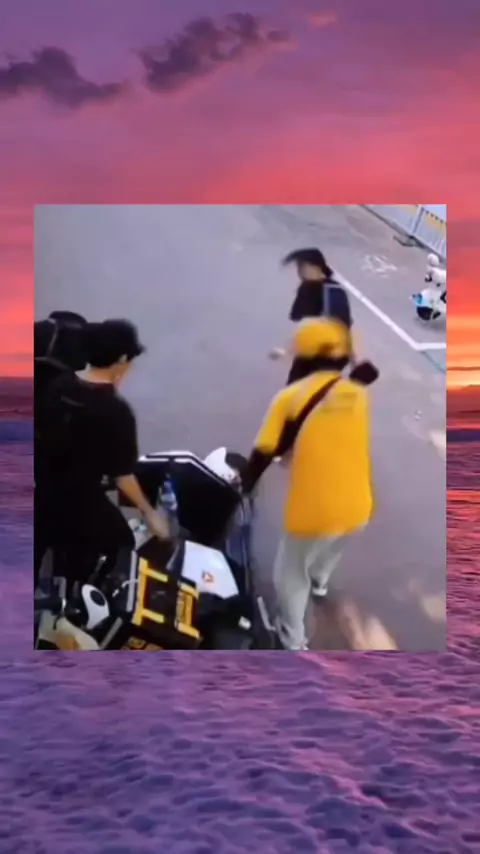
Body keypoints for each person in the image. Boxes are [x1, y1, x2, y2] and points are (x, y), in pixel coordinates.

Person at [242, 317, 376, 650]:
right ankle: (320, 583)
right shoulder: (356, 393)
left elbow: (262, 452)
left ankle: (292, 639)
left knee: (289, 574)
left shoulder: (289, 398)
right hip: (358, 505)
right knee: (332, 545)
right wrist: (353, 350)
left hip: (314, 512)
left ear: (303, 358)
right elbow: (368, 372)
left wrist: (244, 485)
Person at [35, 318, 170, 593]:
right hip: (79, 502)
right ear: (121, 359)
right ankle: (80, 597)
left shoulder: (59, 385)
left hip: (42, 489)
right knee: (121, 544)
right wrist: (150, 514)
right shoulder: (116, 412)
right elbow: (123, 476)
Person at [270, 248, 354, 384]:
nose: (299, 271)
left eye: (302, 267)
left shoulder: (333, 291)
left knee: (312, 389)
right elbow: (306, 325)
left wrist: (289, 350)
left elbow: (340, 328)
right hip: (310, 351)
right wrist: (288, 349)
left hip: (331, 355)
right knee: (295, 386)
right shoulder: (305, 288)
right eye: (298, 267)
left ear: (315, 267)